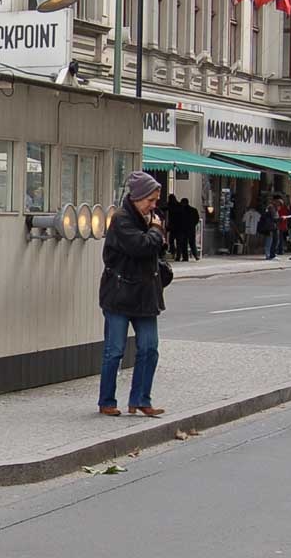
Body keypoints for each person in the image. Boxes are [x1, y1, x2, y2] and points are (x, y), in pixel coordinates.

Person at [97, 171, 167, 418]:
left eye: (155, 200)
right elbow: (141, 247)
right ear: (137, 197)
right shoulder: (121, 219)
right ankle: (106, 401)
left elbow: (155, 250)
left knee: (150, 348)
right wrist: (157, 232)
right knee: (114, 350)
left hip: (145, 295)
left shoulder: (148, 219)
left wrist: (156, 233)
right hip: (119, 294)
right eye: (150, 200)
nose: (153, 205)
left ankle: (140, 399)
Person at [275, 195, 291, 261]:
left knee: (279, 238)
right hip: (283, 225)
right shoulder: (285, 208)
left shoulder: (279, 208)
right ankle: (281, 250)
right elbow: (288, 214)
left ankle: (279, 250)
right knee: (281, 238)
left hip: (279, 224)